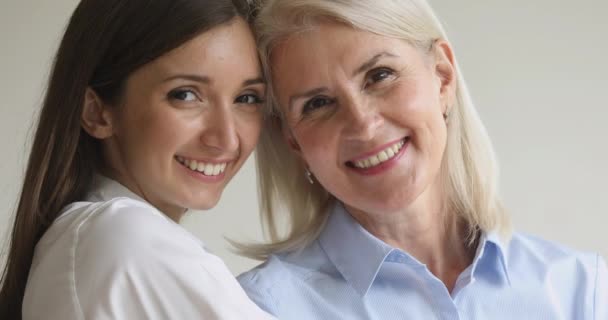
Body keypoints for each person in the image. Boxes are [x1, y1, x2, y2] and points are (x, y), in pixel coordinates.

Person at [237, 0, 608, 319]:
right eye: (318, 103)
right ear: (293, 140)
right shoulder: (257, 309)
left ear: (443, 78)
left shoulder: (581, 290)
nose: (363, 126)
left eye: (380, 75)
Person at [0, 0, 275, 319]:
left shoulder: (89, 239)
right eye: (185, 94)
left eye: (247, 98)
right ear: (96, 112)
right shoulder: (124, 237)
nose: (227, 138)